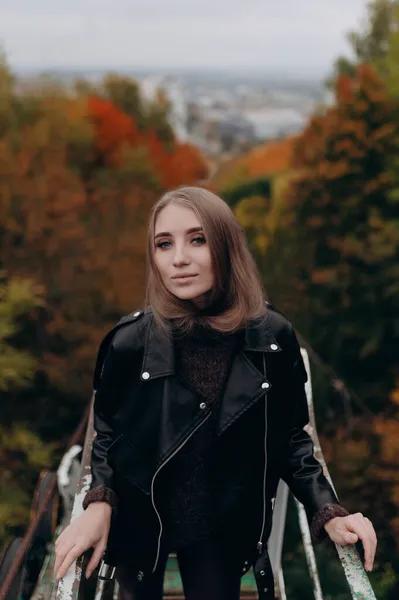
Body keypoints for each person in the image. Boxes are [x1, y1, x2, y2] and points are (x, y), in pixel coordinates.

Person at [54, 186, 377, 600]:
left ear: (226, 246)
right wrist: (99, 501)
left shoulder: (272, 338)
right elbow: (108, 433)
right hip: (141, 522)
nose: (179, 259)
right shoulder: (129, 342)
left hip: (221, 526)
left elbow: (292, 440)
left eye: (198, 239)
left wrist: (329, 512)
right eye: (163, 244)